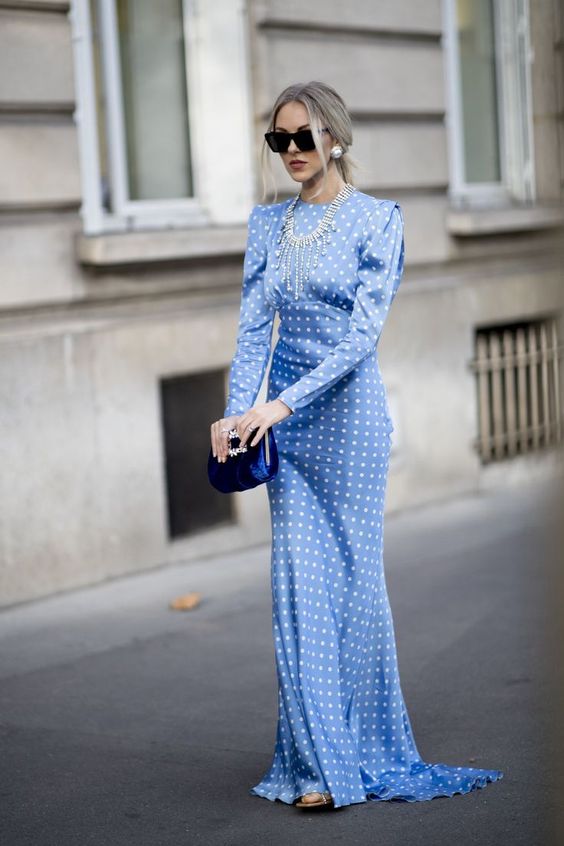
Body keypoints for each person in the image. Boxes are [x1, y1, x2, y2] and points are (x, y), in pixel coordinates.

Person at [209, 81, 504, 810]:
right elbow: (252, 331)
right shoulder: (266, 226)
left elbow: (358, 340)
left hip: (346, 424)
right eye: (279, 141)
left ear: (335, 137)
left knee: (356, 589)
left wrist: (278, 404)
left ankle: (367, 745)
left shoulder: (379, 222)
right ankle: (318, 768)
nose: (292, 153)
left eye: (303, 137)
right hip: (281, 427)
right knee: (298, 589)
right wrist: (236, 412)